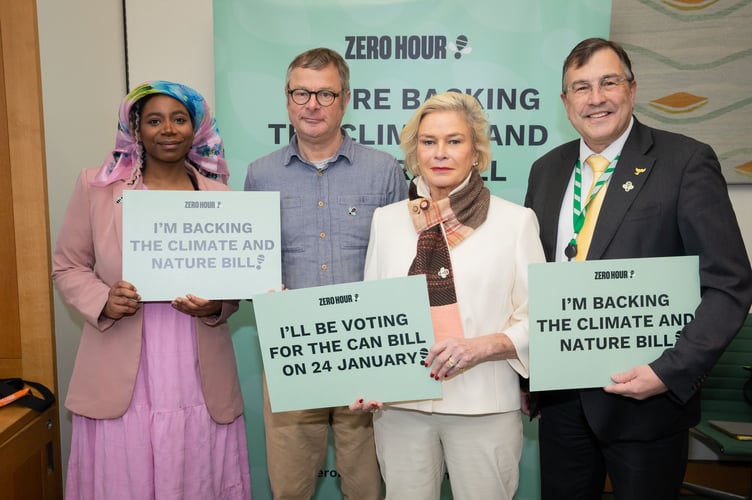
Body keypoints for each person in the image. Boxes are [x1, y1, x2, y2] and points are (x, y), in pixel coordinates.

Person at [524, 37, 752, 499]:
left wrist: (670, 371)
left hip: (647, 400)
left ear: (632, 88)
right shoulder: (545, 170)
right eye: (581, 87)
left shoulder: (685, 161)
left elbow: (729, 285)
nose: (596, 98)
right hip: (562, 404)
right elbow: (532, 278)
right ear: (565, 101)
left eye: (609, 82)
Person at [53, 80, 251, 499]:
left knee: (197, 469)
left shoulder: (221, 196)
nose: (168, 129)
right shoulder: (98, 188)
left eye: (180, 119)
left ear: (196, 128)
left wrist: (217, 304)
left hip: (197, 366)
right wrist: (103, 299)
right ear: (136, 128)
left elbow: (236, 282)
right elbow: (68, 266)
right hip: (121, 366)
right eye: (155, 120)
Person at [350, 91, 546, 500]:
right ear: (414, 150)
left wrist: (481, 347)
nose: (440, 153)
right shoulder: (386, 222)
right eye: (428, 141)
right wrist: (364, 379)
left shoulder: (515, 222)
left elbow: (539, 318)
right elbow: (371, 312)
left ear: (476, 152)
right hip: (401, 408)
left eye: (454, 141)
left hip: (484, 406)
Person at [244, 47, 408, 499]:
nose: (311, 105)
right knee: (290, 486)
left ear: (345, 99)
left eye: (325, 94)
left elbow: (402, 262)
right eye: (301, 93)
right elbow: (252, 263)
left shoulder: (385, 170)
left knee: (368, 485)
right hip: (291, 352)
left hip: (367, 349)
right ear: (287, 98)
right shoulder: (259, 175)